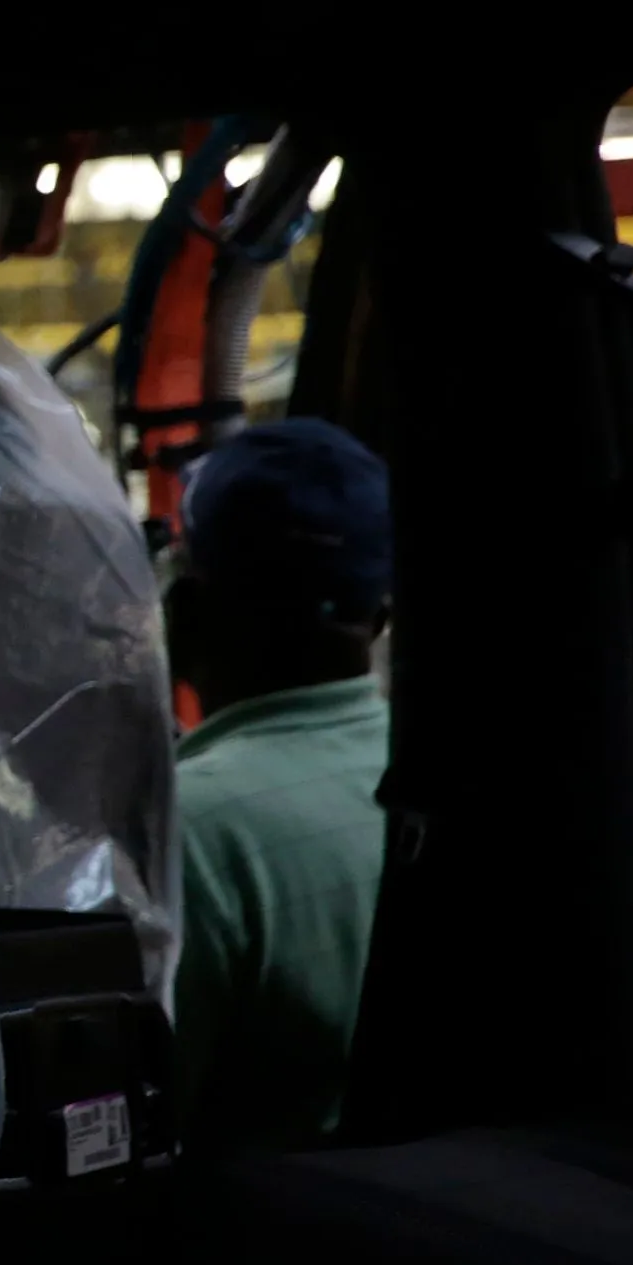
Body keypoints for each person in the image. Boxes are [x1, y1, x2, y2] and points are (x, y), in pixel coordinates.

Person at [163, 417, 396, 1154]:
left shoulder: (187, 828)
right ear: (379, 617)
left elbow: (146, 1141)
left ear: (186, 615)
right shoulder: (457, 778)